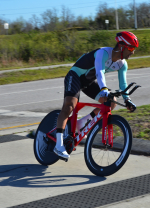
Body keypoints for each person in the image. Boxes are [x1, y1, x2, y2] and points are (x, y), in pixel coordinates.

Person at [54, 31, 139, 159]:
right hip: (76, 76)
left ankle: (80, 123)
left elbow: (123, 84)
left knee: (112, 102)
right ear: (122, 46)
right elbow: (100, 72)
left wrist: (128, 100)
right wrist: (104, 88)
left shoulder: (122, 64)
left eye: (134, 49)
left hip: (89, 82)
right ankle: (58, 145)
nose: (132, 52)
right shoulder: (103, 53)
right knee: (70, 105)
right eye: (131, 48)